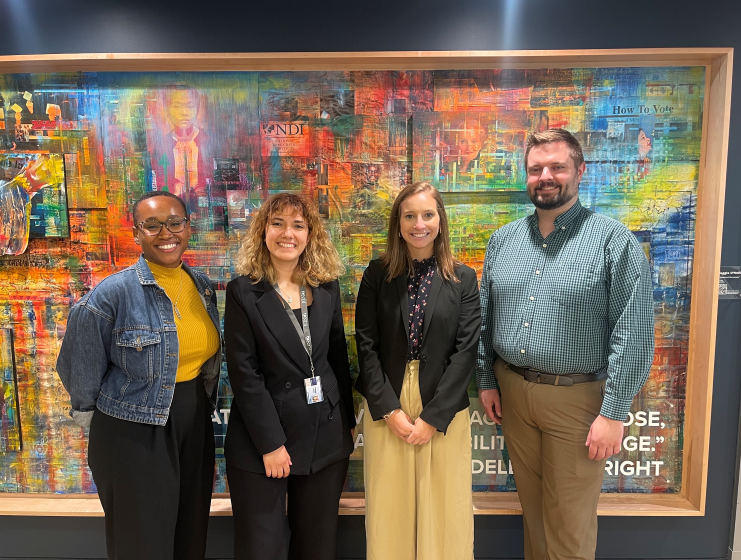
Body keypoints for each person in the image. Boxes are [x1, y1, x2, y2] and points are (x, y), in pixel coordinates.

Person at [477, 128, 654, 560]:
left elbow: (633, 332)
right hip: (513, 395)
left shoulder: (614, 242)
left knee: (569, 527)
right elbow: (485, 319)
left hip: (578, 402)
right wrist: (486, 379)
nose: (546, 176)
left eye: (557, 166)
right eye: (535, 169)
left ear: (580, 170)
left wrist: (613, 413)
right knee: (534, 517)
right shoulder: (503, 241)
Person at [56, 190, 222, 560]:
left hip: (193, 422)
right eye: (152, 225)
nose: (166, 233)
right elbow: (77, 365)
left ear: (187, 227)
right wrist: (91, 417)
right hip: (131, 431)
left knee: (189, 533)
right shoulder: (112, 294)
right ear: (137, 234)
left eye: (174, 222)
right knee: (141, 544)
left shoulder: (203, 287)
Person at [224, 192, 355, 560]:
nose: (288, 233)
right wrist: (270, 444)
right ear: (263, 231)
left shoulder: (326, 287)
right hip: (262, 441)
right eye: (277, 223)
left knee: (317, 545)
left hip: (324, 433)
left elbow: (336, 358)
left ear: (310, 234)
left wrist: (347, 420)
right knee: (260, 547)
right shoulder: (243, 292)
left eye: (298, 225)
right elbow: (244, 373)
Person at [355, 181, 481, 560]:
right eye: (409, 216)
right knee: (389, 509)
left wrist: (433, 417)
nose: (418, 224)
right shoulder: (376, 274)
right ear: (397, 223)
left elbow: (466, 351)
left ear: (440, 221)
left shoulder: (463, 278)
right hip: (387, 401)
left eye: (428, 215)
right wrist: (389, 410)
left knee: (445, 508)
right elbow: (366, 345)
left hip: (442, 404)